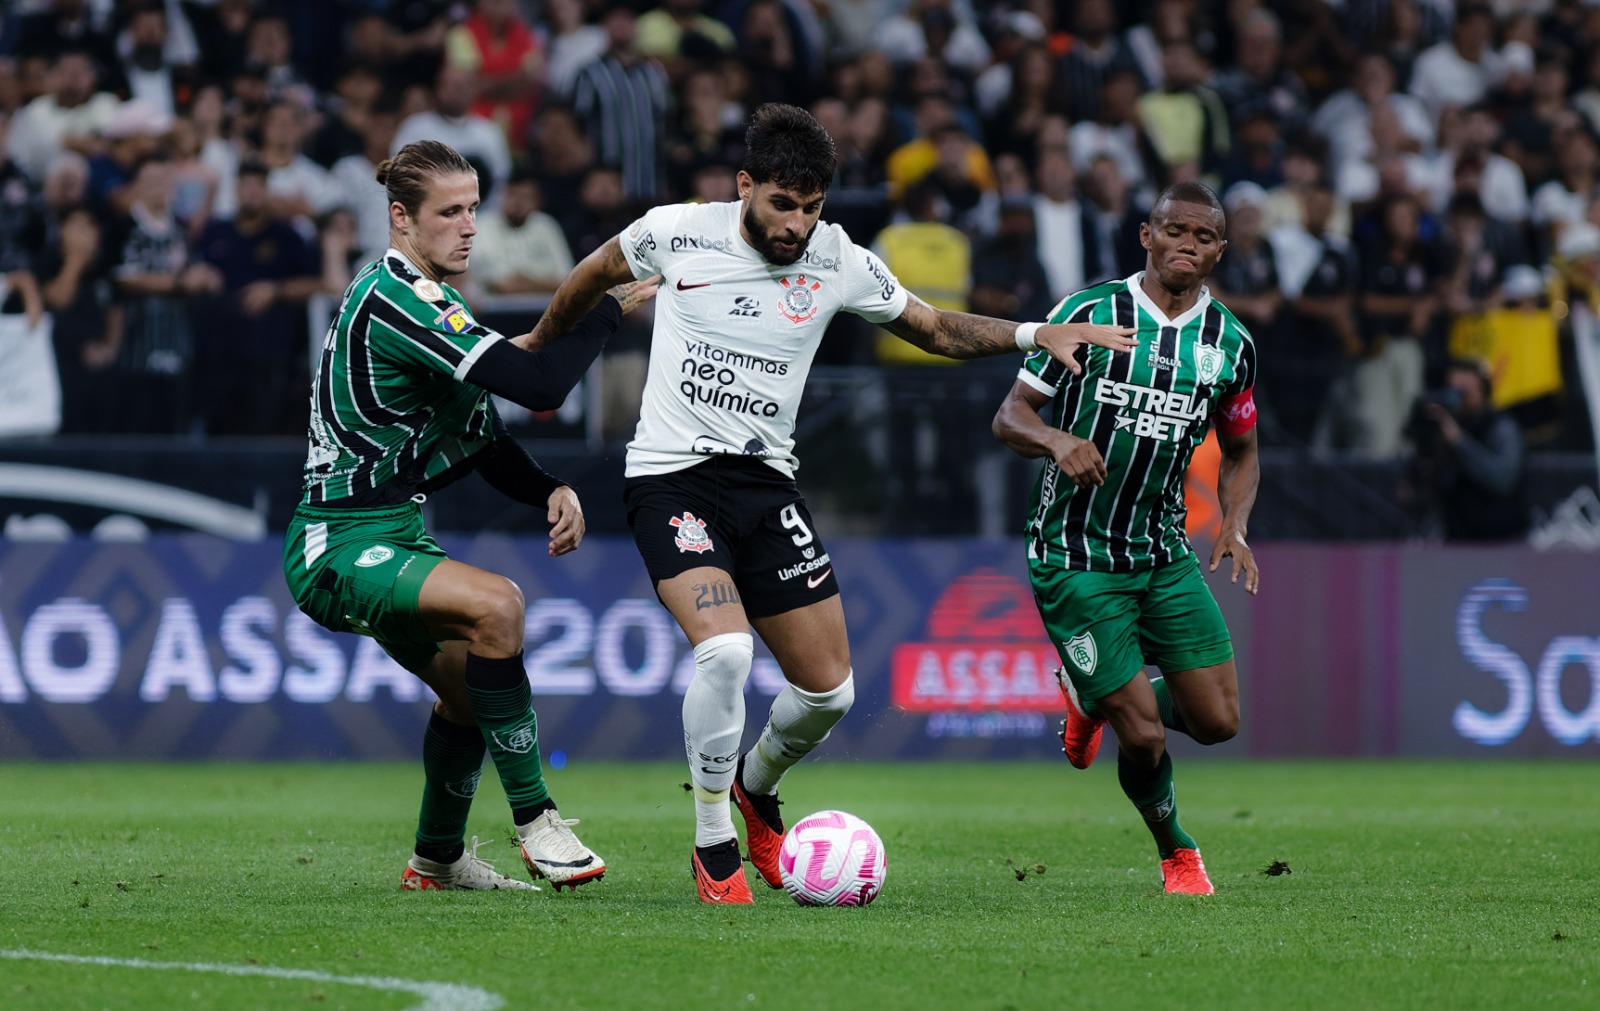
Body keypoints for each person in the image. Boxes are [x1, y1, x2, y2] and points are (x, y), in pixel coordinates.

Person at [528, 103, 1138, 904]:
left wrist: (1033, 335)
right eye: (782, 203)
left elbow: (933, 327)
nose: (797, 224)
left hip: (766, 484)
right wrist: (539, 348)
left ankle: (754, 787)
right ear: (744, 185)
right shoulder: (675, 231)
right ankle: (713, 838)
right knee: (726, 652)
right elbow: (592, 273)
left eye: (812, 207)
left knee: (829, 693)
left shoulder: (838, 257)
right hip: (672, 478)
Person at [280, 140, 659, 892]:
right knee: (498, 606)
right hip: (336, 543)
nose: (468, 228)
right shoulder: (397, 297)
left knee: (464, 691)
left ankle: (438, 859)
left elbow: (481, 435)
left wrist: (548, 484)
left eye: (472, 209)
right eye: (449, 212)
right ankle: (537, 821)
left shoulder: (429, 302)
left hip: (390, 535)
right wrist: (605, 307)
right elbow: (540, 382)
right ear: (400, 218)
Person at [991, 181, 1261, 896]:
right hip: (1075, 554)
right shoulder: (1089, 313)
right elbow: (1010, 415)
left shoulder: (1230, 344)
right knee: (1143, 734)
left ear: (1219, 252)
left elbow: (1242, 448)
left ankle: (1093, 698)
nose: (1187, 245)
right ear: (1147, 234)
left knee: (1219, 720)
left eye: (1203, 237)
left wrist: (1234, 522)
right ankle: (1177, 850)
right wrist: (1054, 440)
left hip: (1162, 550)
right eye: (1175, 230)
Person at [1407, 357, 1529, 541]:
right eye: (1451, 391)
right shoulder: (1443, 427)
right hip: (1458, 540)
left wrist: (1459, 442)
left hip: (1502, 541)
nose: (1458, 400)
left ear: (1483, 391)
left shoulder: (1500, 426)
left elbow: (1503, 479)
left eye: (1465, 393)